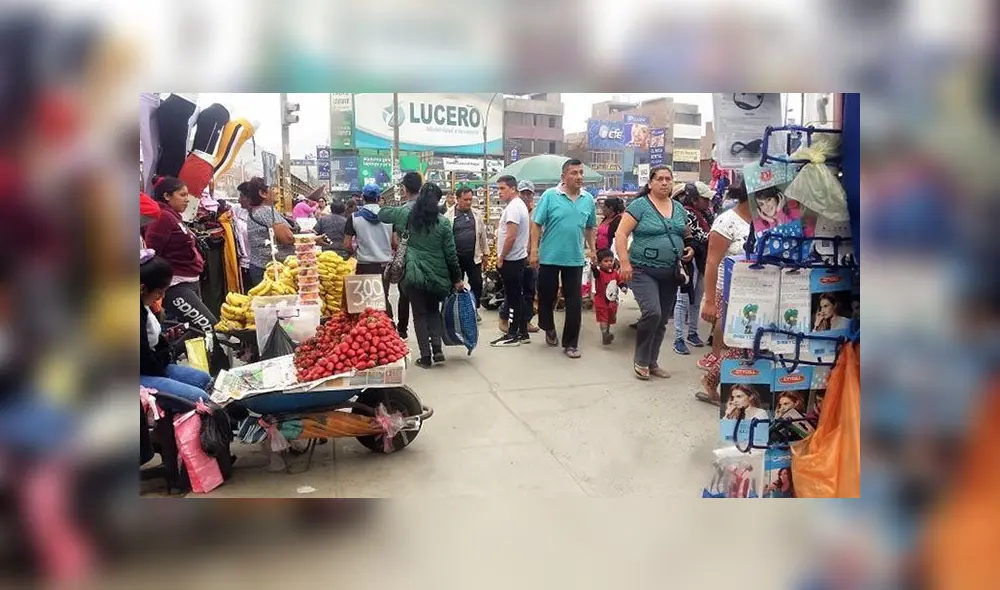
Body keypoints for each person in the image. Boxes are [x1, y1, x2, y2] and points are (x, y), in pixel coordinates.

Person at [614, 166, 695, 380]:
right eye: (659, 179)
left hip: (671, 271)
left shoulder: (679, 208)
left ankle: (652, 362)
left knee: (662, 320)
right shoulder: (640, 206)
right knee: (653, 313)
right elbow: (621, 234)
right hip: (642, 269)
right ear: (650, 183)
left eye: (668, 179)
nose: (665, 182)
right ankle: (641, 359)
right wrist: (624, 262)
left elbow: (686, 234)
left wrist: (690, 248)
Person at [378, 183, 464, 368]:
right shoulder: (443, 223)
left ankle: (425, 357)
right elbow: (451, 254)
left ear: (420, 196)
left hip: (413, 274)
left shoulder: (406, 215)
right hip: (437, 275)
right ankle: (438, 350)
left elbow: (382, 214)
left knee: (419, 315)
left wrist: (402, 205)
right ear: (438, 200)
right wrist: (457, 278)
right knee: (433, 311)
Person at [530, 159, 597, 359]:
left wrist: (593, 250)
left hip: (574, 258)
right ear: (563, 176)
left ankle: (571, 343)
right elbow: (536, 224)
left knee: (574, 301)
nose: (579, 177)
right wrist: (533, 250)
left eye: (581, 173)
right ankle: (548, 326)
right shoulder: (550, 196)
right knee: (546, 296)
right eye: (574, 173)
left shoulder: (588, 199)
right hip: (549, 257)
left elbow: (589, 228)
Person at [695, 181, 753, 405]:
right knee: (739, 345)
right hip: (728, 292)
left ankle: (719, 382)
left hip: (757, 292)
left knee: (749, 346)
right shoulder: (727, 221)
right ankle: (713, 381)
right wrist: (710, 301)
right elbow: (712, 262)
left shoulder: (766, 221)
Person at [143, 175, 217, 333]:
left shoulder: (173, 216)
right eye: (182, 195)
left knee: (194, 330)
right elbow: (152, 252)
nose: (187, 199)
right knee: (208, 326)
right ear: (167, 196)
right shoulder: (162, 217)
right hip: (175, 286)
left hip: (190, 282)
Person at [139, 252, 211, 411]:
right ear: (142, 288)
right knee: (201, 399)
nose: (162, 296)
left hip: (150, 364)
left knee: (204, 379)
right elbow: (144, 361)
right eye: (160, 292)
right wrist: (167, 355)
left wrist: (165, 345)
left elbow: (149, 342)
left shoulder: (142, 305)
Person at [345, 184, 397, 323]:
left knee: (366, 302)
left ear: (362, 198)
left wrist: (357, 251)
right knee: (382, 298)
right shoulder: (389, 218)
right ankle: (388, 327)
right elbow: (395, 243)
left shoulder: (354, 218)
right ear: (379, 198)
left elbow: (347, 244)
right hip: (384, 266)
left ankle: (367, 327)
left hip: (364, 266)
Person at [673, 182, 714, 355]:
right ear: (695, 199)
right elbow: (702, 237)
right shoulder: (686, 214)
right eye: (705, 199)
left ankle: (692, 333)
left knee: (696, 299)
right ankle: (678, 338)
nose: (708, 202)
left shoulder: (706, 214)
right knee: (682, 300)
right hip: (688, 261)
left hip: (702, 260)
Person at [491, 175, 532, 347]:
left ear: (513, 188)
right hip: (517, 258)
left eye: (502, 188)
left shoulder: (514, 208)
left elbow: (511, 236)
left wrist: (501, 257)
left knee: (513, 298)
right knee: (517, 296)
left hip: (511, 260)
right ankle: (522, 332)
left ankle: (512, 334)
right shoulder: (517, 205)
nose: (499, 192)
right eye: (498, 189)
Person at [500, 180, 540, 334]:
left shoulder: (535, 212)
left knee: (528, 291)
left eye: (529, 193)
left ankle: (524, 323)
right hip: (518, 256)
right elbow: (510, 235)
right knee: (514, 293)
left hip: (529, 256)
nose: (526, 196)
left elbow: (536, 233)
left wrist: (534, 252)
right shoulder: (515, 208)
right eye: (523, 193)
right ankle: (507, 320)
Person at [238, 177, 295, 287]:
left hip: (261, 266)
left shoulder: (257, 210)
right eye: (273, 189)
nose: (277, 192)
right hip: (268, 269)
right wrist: (312, 239)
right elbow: (287, 238)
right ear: (263, 193)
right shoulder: (265, 211)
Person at [445, 186, 490, 322]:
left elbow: (482, 235)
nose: (469, 202)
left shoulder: (476, 215)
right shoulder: (448, 216)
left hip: (473, 257)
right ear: (457, 199)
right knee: (454, 285)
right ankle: (454, 312)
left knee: (477, 283)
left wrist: (486, 253)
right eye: (465, 199)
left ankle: (474, 309)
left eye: (470, 199)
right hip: (455, 259)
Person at [392, 172, 423, 338]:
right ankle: (430, 336)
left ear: (404, 189)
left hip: (407, 260)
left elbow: (395, 241)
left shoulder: (400, 212)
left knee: (404, 296)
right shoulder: (432, 210)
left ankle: (402, 331)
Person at [592, 249, 621, 345]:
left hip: (612, 302)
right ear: (599, 263)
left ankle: (606, 335)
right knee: (603, 319)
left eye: (611, 261)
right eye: (606, 261)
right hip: (601, 302)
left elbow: (620, 282)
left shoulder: (615, 273)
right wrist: (593, 266)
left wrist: (623, 286)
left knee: (609, 319)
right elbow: (595, 272)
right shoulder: (599, 274)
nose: (609, 263)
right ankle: (604, 333)